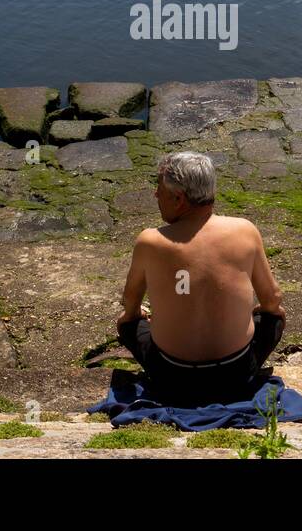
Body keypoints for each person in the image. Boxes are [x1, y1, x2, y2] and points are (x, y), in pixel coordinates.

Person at [116, 150, 285, 405]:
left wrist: (135, 316)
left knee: (128, 325)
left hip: (172, 377)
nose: (155, 194)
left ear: (178, 198)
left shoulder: (150, 241)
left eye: (159, 188)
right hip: (235, 374)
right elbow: (272, 301)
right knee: (273, 318)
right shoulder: (245, 230)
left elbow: (130, 302)